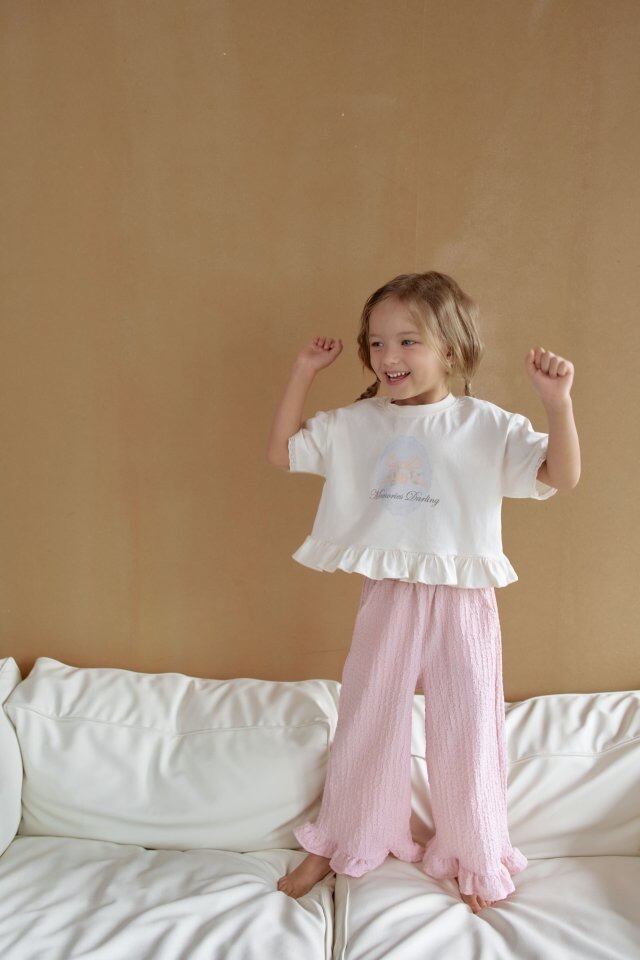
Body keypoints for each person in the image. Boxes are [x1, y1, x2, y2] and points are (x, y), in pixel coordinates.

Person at [266, 271, 580, 914]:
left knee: (469, 728)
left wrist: (558, 403)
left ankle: (475, 851)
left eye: (408, 341)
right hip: (389, 593)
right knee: (368, 718)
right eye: (377, 342)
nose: (388, 356)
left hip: (465, 598)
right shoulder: (360, 423)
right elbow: (283, 453)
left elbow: (561, 474)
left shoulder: (484, 424)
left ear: (451, 348)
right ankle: (341, 839)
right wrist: (303, 372)